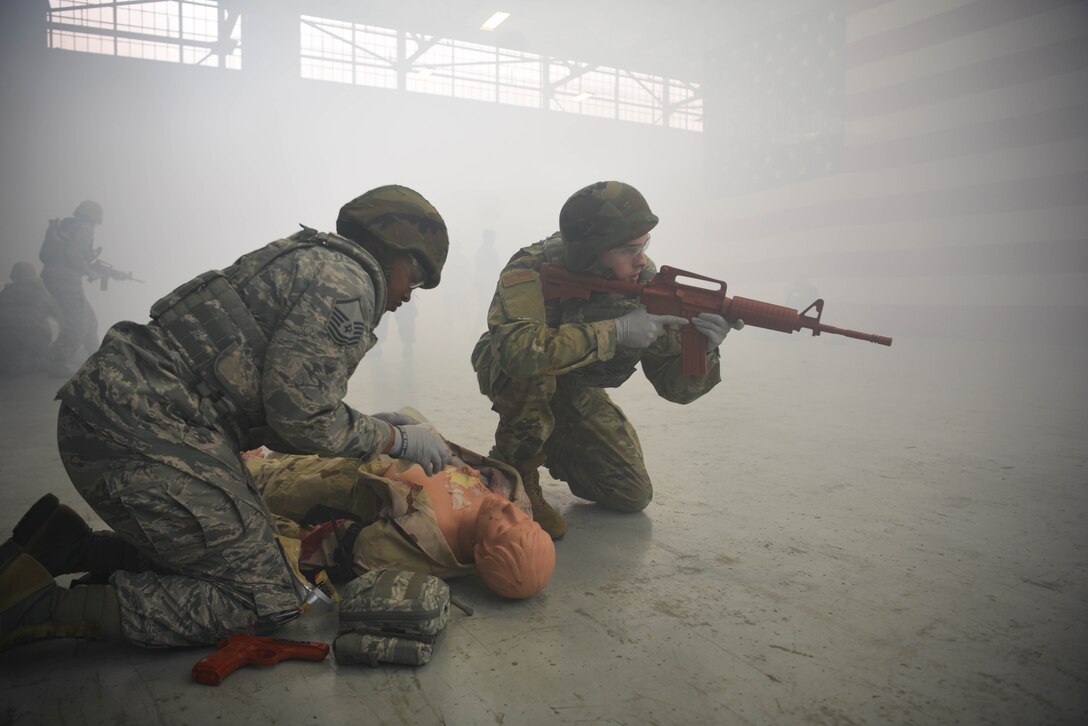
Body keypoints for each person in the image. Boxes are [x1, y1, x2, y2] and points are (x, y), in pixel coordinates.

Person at [0, 185, 454, 651]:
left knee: (249, 554)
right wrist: (393, 440)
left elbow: (281, 414)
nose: (406, 297)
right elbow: (303, 417)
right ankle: (35, 607)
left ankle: (65, 546)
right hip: (140, 433)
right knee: (263, 595)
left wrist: (367, 427)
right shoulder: (349, 285)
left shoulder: (313, 259)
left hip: (131, 418)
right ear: (389, 244)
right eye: (414, 277)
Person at [470, 181, 743, 538]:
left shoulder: (645, 282)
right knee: (534, 368)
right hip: (513, 370)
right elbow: (518, 351)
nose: (641, 259)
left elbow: (675, 389)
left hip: (575, 387)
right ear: (591, 251)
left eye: (645, 245)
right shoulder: (533, 266)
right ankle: (515, 469)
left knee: (631, 493)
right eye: (629, 249)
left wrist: (705, 346)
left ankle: (550, 442)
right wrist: (615, 332)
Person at [245, 429, 555, 599]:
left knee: (249, 472)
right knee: (293, 435)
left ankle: (254, 464)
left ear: (483, 552)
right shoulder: (510, 497)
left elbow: (323, 545)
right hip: (368, 441)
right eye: (525, 520)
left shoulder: (416, 550)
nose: (509, 511)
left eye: (504, 528)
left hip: (323, 482)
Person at [38, 200, 104, 377]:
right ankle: (54, 360)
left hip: (58, 278)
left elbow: (71, 253)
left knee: (89, 321)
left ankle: (99, 361)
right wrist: (91, 272)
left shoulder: (68, 225)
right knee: (79, 323)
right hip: (65, 280)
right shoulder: (84, 228)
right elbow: (74, 255)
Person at [0, 261, 62, 377]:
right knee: (35, 362)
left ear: (13, 276)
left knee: (9, 364)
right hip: (34, 336)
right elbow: (58, 315)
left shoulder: (5, 292)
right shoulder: (42, 291)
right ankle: (42, 364)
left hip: (5, 337)